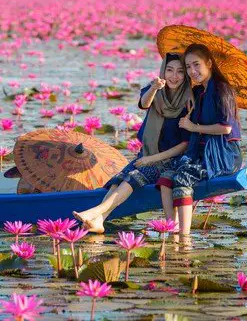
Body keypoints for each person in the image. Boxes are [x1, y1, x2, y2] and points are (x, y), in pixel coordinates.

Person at [73, 53, 194, 233]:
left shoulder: (189, 101)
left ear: (186, 75)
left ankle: (95, 211)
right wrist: (154, 88)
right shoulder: (155, 90)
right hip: (146, 154)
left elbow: (185, 144)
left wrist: (152, 159)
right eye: (169, 70)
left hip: (170, 160)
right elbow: (145, 104)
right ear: (163, 71)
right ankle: (100, 220)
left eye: (180, 72)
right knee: (119, 179)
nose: (174, 76)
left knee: (134, 176)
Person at [155, 43, 243, 243]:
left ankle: (184, 239)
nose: (192, 71)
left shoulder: (222, 90)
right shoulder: (197, 93)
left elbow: (225, 128)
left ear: (209, 63)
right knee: (167, 176)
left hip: (223, 154)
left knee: (183, 177)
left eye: (196, 65)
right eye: (188, 67)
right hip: (201, 152)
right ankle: (172, 232)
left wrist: (193, 127)